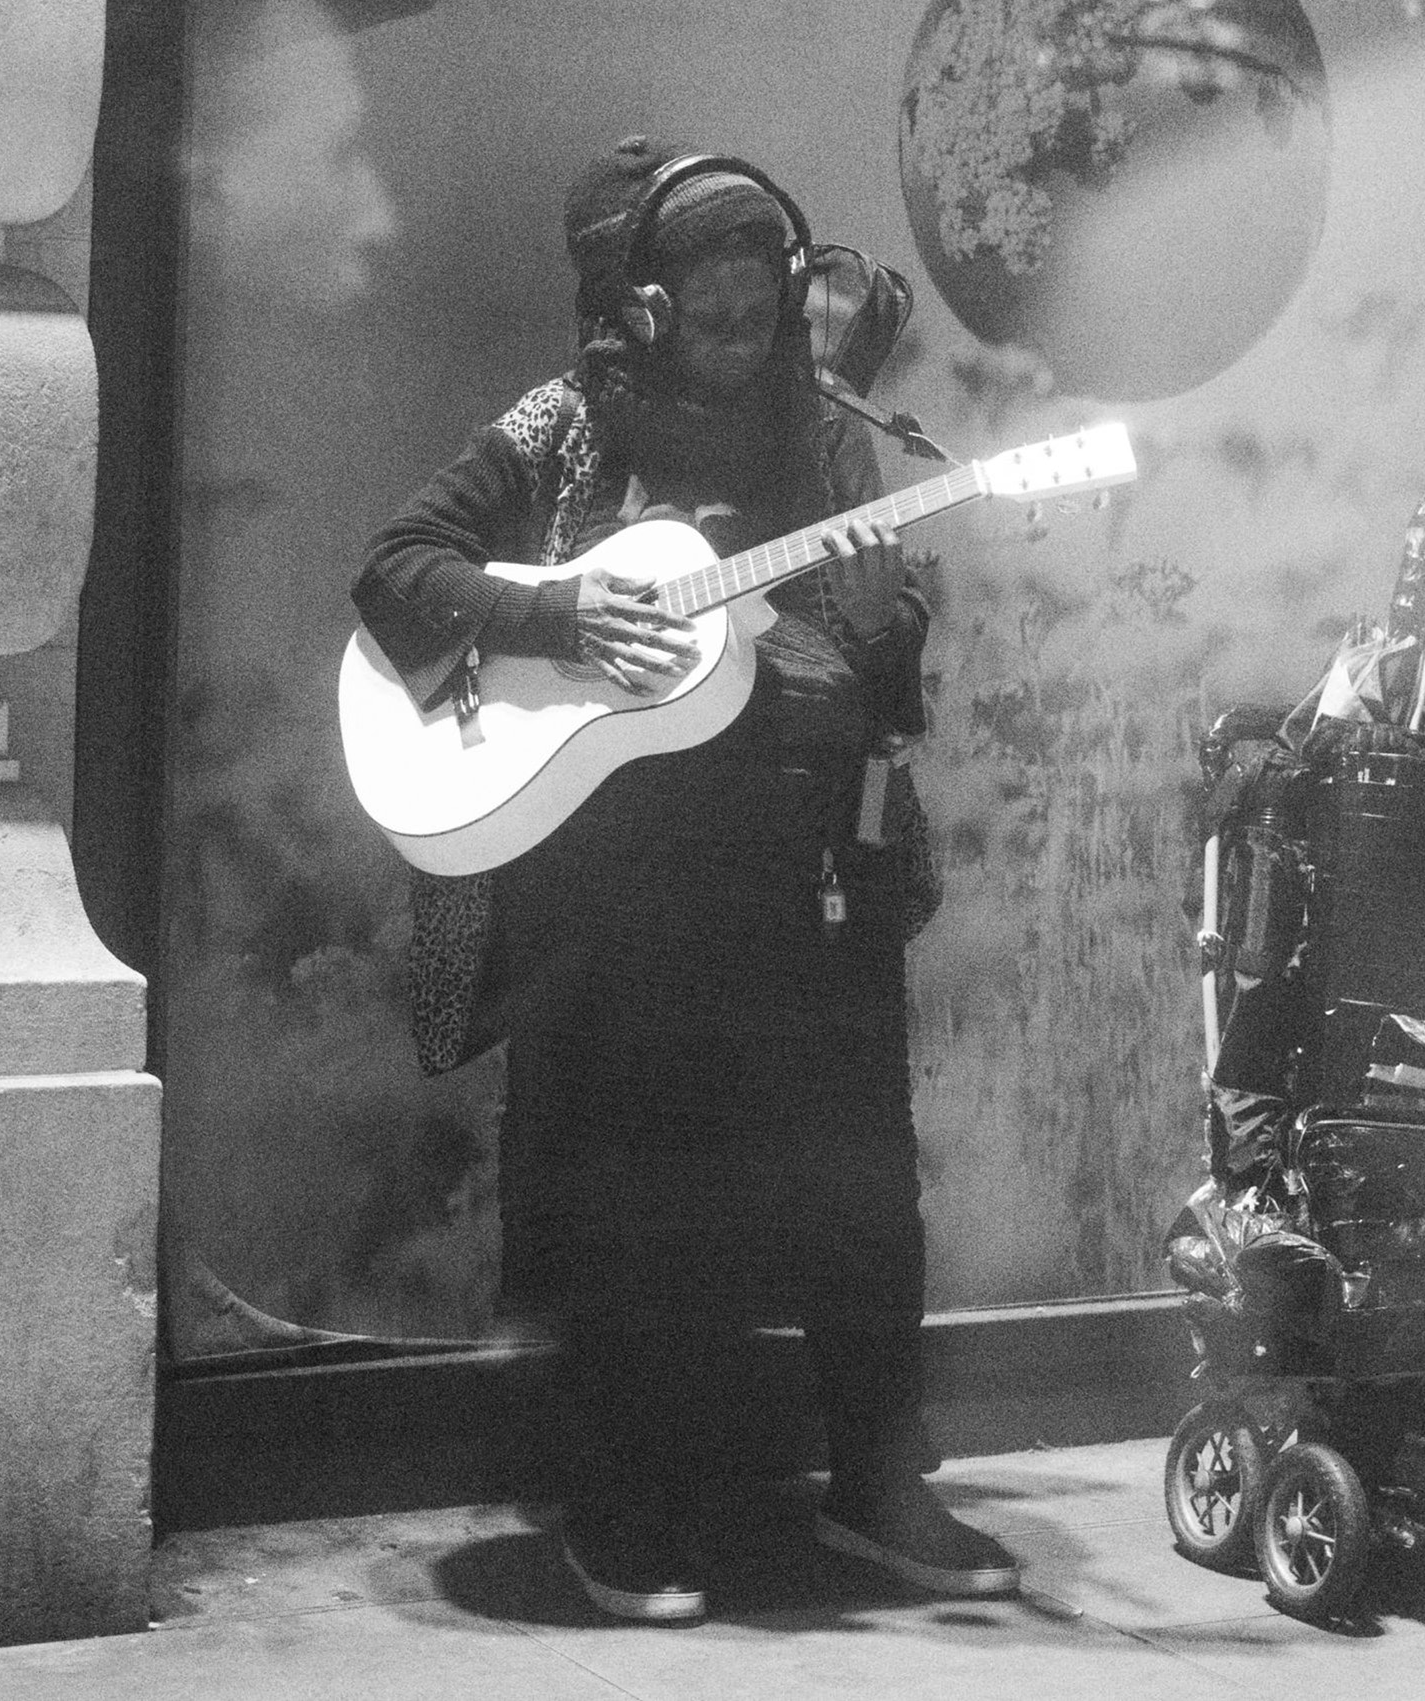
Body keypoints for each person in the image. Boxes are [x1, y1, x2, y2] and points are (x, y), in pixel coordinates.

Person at [352, 136, 1018, 1622]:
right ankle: (624, 1502)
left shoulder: (838, 441)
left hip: (817, 880)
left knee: (862, 1197)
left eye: (763, 308)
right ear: (638, 310)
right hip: (622, 901)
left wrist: (884, 622)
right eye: (707, 313)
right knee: (630, 1207)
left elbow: (892, 663)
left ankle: (875, 1472)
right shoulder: (560, 427)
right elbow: (399, 569)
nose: (746, 338)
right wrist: (557, 619)